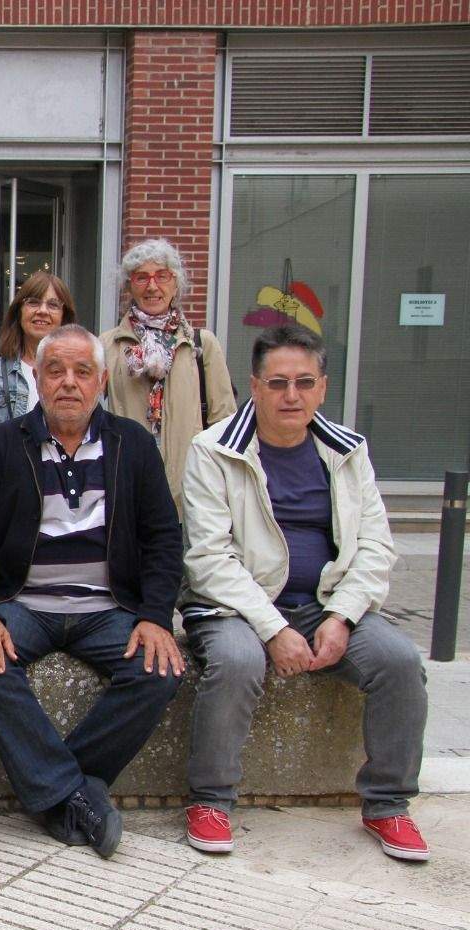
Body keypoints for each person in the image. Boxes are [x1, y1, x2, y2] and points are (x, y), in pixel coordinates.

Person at [180, 325, 429, 861]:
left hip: (325, 604)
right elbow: (208, 557)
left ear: (322, 387)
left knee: (400, 662)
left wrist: (342, 616)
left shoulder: (348, 451)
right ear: (254, 386)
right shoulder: (214, 450)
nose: (290, 395)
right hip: (237, 607)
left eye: (304, 382)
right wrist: (273, 628)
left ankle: (387, 804)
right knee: (236, 661)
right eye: (277, 383)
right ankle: (211, 800)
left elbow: (375, 546)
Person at [0, 325, 183, 859]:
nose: (69, 383)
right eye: (55, 371)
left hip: (109, 607)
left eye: (83, 372)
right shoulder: (3, 445)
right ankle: (78, 796)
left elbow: (163, 538)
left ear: (101, 381)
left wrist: (155, 615)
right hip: (25, 603)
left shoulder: (133, 445)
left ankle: (60, 793)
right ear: (37, 378)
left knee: (160, 670)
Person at [101, 237, 235, 512]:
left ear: (176, 284)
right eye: (141, 277)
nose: (152, 286)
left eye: (162, 276)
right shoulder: (107, 345)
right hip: (126, 489)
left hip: (191, 492)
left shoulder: (202, 344)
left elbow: (224, 421)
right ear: (129, 286)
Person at [0, 270, 78, 445]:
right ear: (19, 312)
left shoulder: (81, 374)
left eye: (53, 305)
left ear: (64, 316)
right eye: (33, 302)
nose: (42, 311)